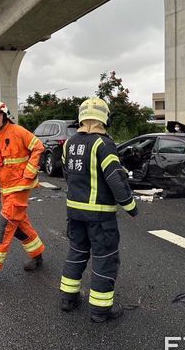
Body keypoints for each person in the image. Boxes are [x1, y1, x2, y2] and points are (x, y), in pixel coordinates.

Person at [59, 97, 139, 323]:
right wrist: (130, 207)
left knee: (77, 252)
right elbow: (115, 178)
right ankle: (100, 310)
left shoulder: (69, 143)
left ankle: (68, 298)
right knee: (105, 258)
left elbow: (68, 174)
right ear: (105, 118)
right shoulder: (103, 144)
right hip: (100, 214)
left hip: (74, 211)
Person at [0, 100, 46, 282]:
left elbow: (38, 147)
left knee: (3, 227)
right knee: (20, 225)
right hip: (7, 188)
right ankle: (37, 255)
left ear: (4, 116)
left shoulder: (18, 132)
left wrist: (29, 172)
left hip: (20, 187)